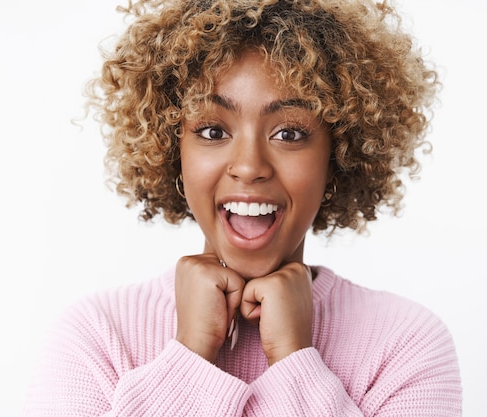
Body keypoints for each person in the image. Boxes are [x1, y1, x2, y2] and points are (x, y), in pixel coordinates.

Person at [25, 0, 462, 415]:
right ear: (171, 151)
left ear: (338, 156)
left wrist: (293, 359)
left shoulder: (406, 343)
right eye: (213, 131)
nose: (249, 167)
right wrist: (191, 353)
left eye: (289, 133)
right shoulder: (96, 334)